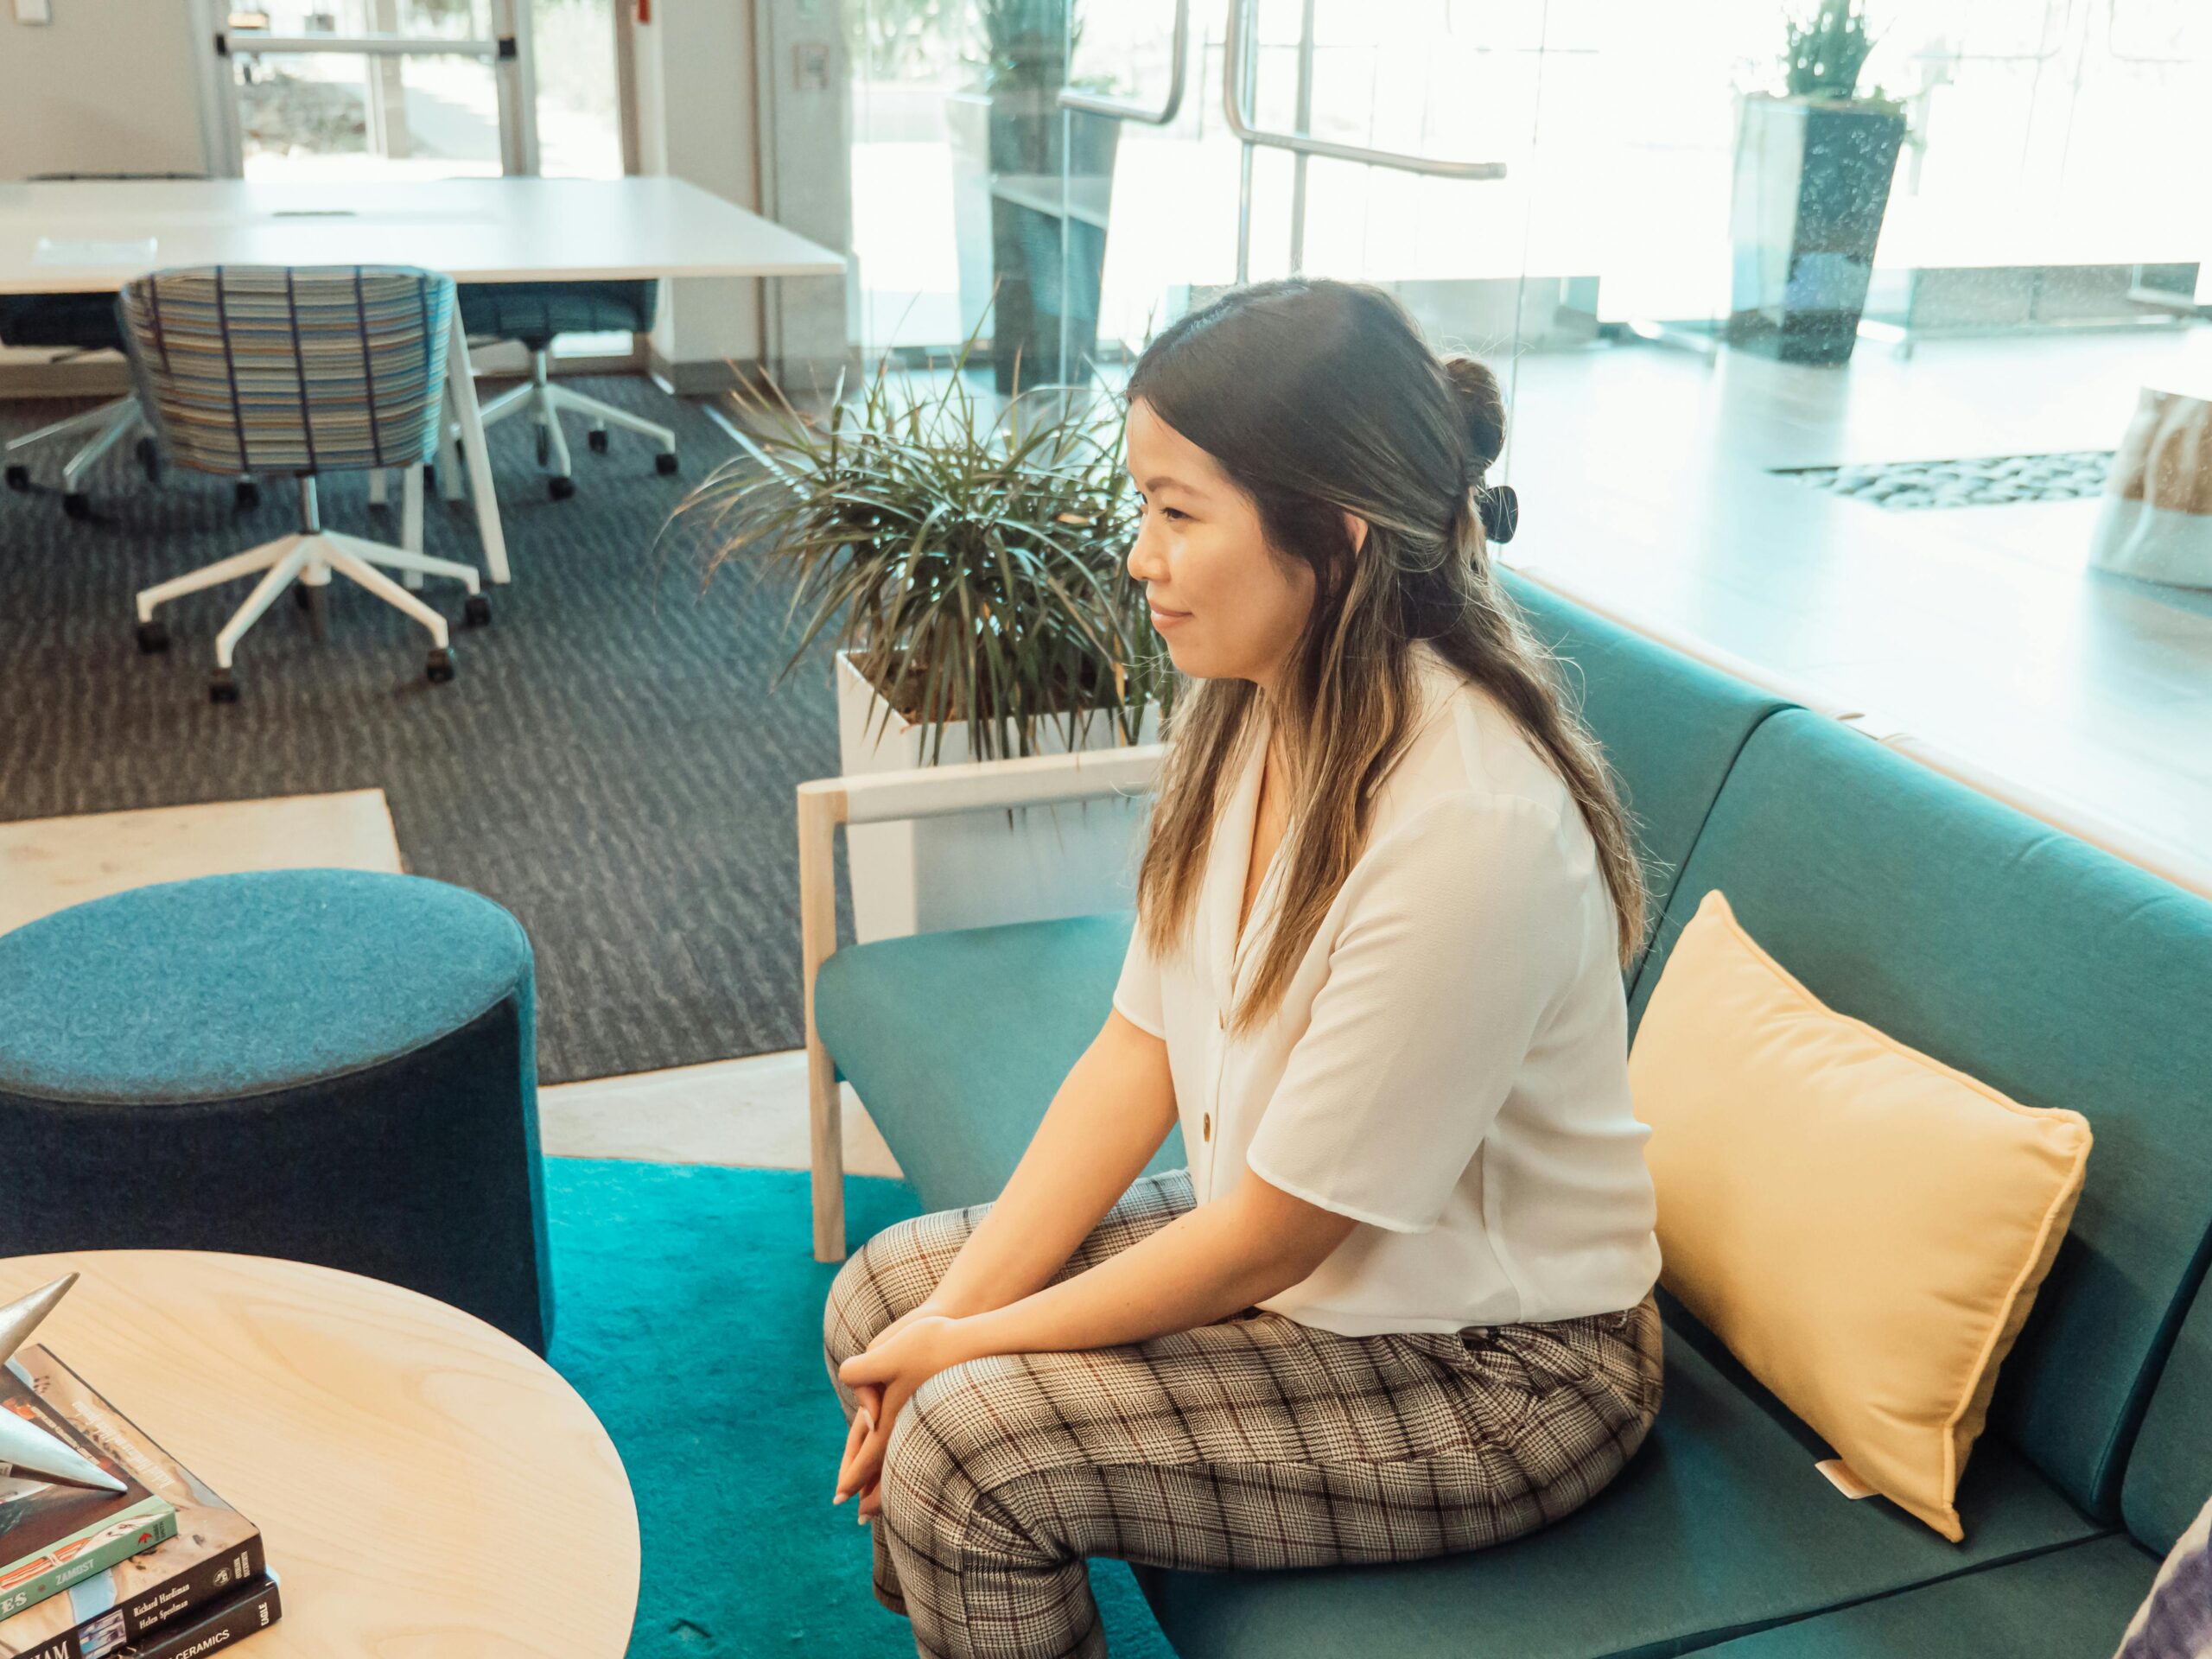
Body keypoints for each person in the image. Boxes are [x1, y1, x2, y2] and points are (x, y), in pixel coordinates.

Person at [823, 277, 1666, 1659]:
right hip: (1333, 1266)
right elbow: (1137, 1051)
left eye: (1176, 511)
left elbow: (1278, 1233)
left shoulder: (1469, 822)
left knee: (974, 1445)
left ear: (1330, 535)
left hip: (1504, 1366)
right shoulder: (1249, 708)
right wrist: (954, 1320)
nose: (1139, 557)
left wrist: (967, 1354)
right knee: (888, 1302)